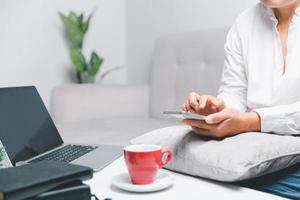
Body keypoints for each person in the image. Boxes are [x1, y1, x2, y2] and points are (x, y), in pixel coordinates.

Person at [181, 0, 300, 199]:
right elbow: (234, 92)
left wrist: (251, 122)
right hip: (255, 154)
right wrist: (216, 110)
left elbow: (247, 120)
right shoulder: (245, 23)